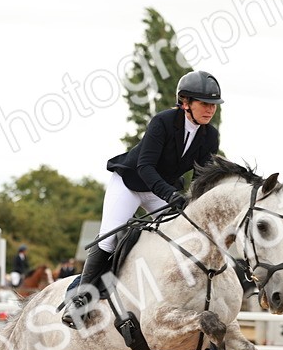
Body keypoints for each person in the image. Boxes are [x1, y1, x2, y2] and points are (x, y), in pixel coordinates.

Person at [62, 70, 223, 325]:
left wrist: (192, 201)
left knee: (183, 236)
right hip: (130, 182)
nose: (210, 110)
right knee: (110, 235)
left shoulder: (210, 136)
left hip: (161, 190)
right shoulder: (163, 122)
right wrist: (171, 194)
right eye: (204, 103)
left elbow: (200, 177)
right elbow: (145, 167)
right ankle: (81, 298)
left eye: (213, 105)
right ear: (185, 102)